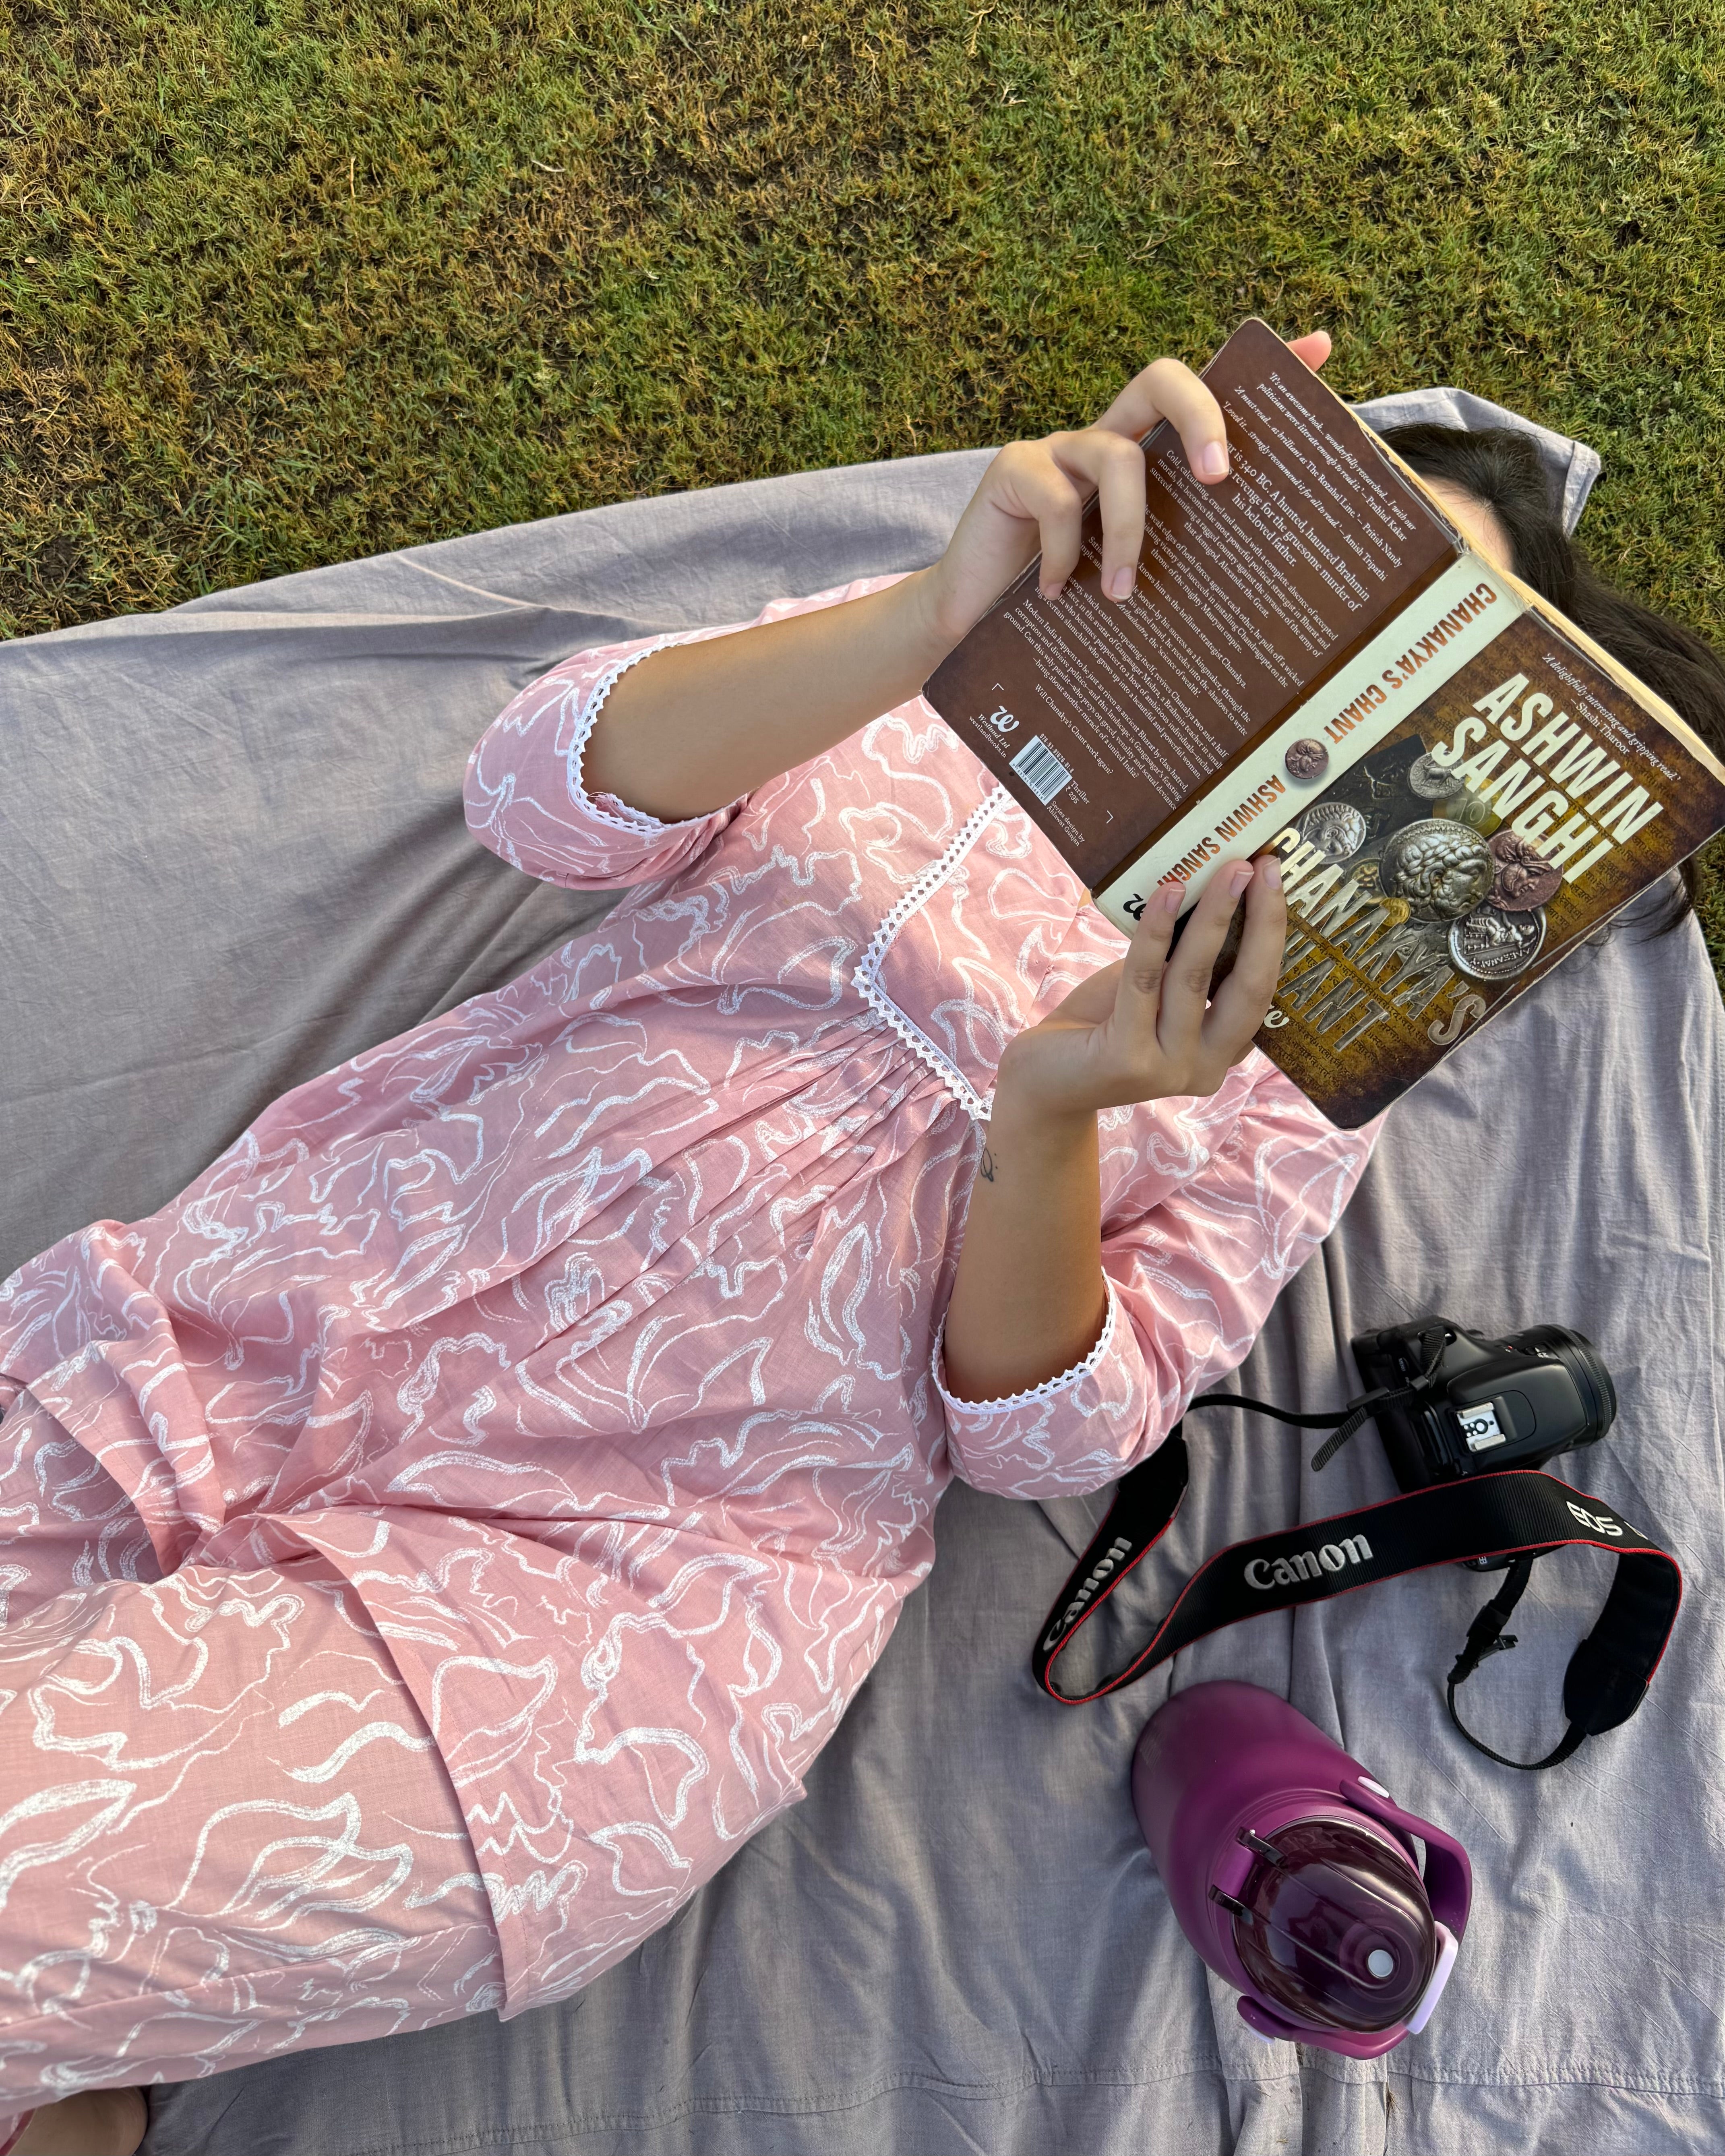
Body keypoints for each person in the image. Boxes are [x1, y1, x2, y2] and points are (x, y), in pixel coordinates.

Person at [0, 335, 1712, 2156]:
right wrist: (931, 609)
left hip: (609, 1609)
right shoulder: (939, 662)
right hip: (236, 1326)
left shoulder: (1300, 1070)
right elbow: (538, 791)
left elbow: (1049, 1438)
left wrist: (1054, 1110)